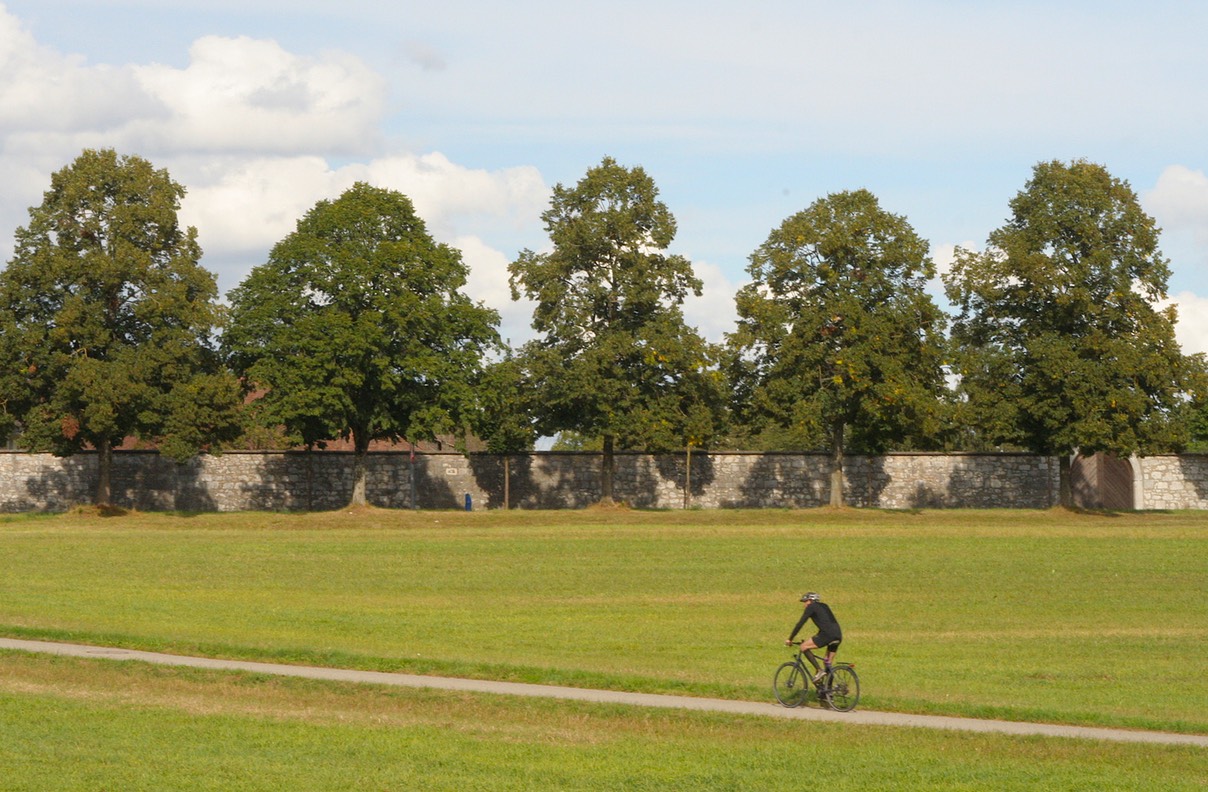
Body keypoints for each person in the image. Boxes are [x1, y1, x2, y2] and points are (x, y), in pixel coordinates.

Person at [785, 592, 842, 682]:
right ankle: (827, 693)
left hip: (827, 634)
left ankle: (819, 671)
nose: (804, 604)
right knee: (827, 663)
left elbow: (800, 623)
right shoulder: (824, 606)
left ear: (811, 600)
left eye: (805, 601)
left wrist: (790, 639)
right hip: (838, 635)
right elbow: (826, 623)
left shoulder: (811, 607)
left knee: (803, 646)